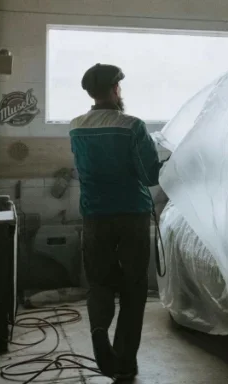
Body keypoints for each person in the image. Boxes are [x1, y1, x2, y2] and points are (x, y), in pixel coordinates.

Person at [70, 63, 165, 381]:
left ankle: (99, 333)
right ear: (114, 89)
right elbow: (149, 174)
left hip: (94, 216)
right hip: (131, 216)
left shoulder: (76, 126)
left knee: (99, 283)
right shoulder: (132, 126)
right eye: (119, 86)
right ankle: (125, 361)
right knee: (134, 288)